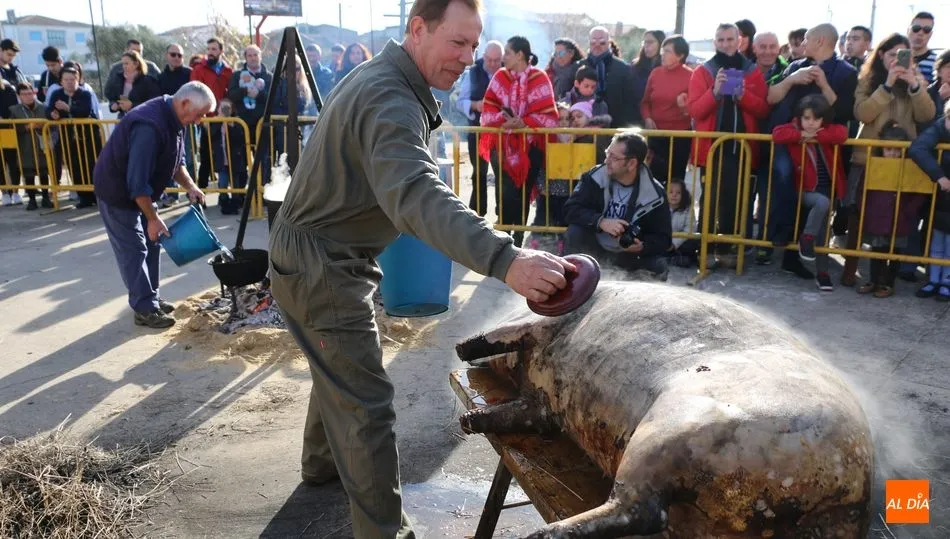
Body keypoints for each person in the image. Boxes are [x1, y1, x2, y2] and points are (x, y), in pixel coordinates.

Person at [268, 1, 575, 537]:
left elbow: (390, 187)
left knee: (338, 365)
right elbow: (413, 192)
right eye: (457, 42)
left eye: (474, 46)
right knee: (366, 407)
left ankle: (321, 467)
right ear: (417, 29)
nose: (467, 57)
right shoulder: (390, 97)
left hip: (318, 253)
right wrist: (506, 258)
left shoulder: (386, 79)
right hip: (324, 263)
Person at [92, 83, 213, 328]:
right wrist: (152, 217)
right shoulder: (149, 126)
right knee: (134, 249)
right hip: (118, 193)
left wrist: (191, 187)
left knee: (153, 241)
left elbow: (176, 162)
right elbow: (136, 183)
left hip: (140, 190)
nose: (200, 121)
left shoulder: (176, 118)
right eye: (200, 114)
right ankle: (144, 308)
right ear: (185, 103)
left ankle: (151, 298)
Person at [840, 33, 935, 287]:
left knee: (895, 217)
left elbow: (927, 114)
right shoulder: (868, 80)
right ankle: (850, 270)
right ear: (881, 56)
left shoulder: (916, 82)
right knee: (857, 215)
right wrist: (888, 85)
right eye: (892, 55)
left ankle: (886, 279)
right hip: (867, 158)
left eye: (903, 56)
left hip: (902, 160)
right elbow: (862, 113)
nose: (897, 61)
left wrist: (915, 85)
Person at [478, 35, 559, 248]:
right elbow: (489, 108)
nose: (503, 58)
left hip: (530, 145)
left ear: (520, 55)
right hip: (501, 145)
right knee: (505, 192)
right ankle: (503, 241)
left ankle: (518, 240)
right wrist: (504, 120)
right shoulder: (500, 77)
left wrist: (523, 122)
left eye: (507, 53)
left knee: (523, 192)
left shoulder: (540, 77)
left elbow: (549, 116)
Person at [563, 130, 672, 280]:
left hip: (629, 255)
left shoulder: (654, 193)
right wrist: (600, 221)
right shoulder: (594, 177)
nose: (606, 160)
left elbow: (664, 239)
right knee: (575, 232)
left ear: (632, 163)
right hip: (595, 248)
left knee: (659, 265)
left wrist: (643, 246)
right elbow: (570, 209)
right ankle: (572, 284)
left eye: (613, 157)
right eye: (608, 153)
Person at [771, 94, 848, 291]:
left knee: (824, 232)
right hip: (803, 191)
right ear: (799, 118)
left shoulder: (826, 131)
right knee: (821, 204)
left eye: (816, 118)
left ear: (823, 119)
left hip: (826, 190)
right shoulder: (794, 129)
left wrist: (816, 136)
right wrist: (799, 135)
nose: (811, 123)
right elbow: (777, 133)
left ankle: (822, 273)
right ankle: (806, 239)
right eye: (806, 118)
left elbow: (842, 133)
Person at [908, 101, 950, 301]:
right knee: (937, 239)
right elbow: (917, 149)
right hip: (941, 196)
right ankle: (933, 280)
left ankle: (946, 282)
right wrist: (939, 176)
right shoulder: (938, 128)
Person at [456, 40, 502, 217]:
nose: (492, 64)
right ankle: (477, 215)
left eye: (496, 61)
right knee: (479, 174)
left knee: (502, 176)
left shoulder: (508, 72)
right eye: (489, 60)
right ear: (483, 57)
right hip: (478, 131)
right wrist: (475, 105)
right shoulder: (473, 73)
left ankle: (502, 215)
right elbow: (460, 102)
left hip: (502, 134)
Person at [47, 64, 102, 209]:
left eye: (73, 79)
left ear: (78, 79)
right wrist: (53, 114)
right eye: (66, 79)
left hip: (88, 135)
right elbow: (49, 109)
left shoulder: (85, 94)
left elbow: (85, 111)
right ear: (61, 81)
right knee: (74, 165)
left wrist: (68, 108)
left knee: (91, 164)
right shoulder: (57, 94)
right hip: (68, 135)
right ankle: (83, 197)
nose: (70, 82)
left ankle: (97, 195)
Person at [640, 34, 693, 185]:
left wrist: (684, 106)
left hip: (679, 137)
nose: (663, 54)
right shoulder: (655, 73)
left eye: (668, 51)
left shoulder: (691, 76)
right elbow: (645, 102)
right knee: (653, 179)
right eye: (663, 50)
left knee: (675, 181)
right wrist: (648, 118)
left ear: (680, 55)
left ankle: (675, 209)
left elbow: (693, 109)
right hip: (656, 135)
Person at [9, 82, 53, 210]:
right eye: (24, 94)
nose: (28, 96)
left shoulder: (43, 107)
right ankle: (32, 200)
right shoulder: (15, 110)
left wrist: (43, 126)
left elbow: (52, 124)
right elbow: (11, 127)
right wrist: (24, 127)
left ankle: (46, 198)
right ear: (19, 96)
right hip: (25, 146)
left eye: (30, 93)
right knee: (28, 172)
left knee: (44, 171)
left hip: (41, 145)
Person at [106, 51, 162, 119]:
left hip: (143, 119)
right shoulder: (119, 79)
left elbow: (154, 102)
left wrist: (132, 105)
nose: (124, 66)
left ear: (136, 64)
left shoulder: (148, 81)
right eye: (123, 64)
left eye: (127, 63)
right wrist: (113, 105)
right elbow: (113, 97)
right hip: (123, 118)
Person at [667, 177, 699, 267]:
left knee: (692, 243)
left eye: (678, 193)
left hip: (680, 242)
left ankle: (676, 258)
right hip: (664, 240)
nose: (674, 195)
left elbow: (690, 229)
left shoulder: (688, 209)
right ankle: (671, 258)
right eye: (671, 192)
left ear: (683, 195)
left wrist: (674, 244)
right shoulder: (661, 207)